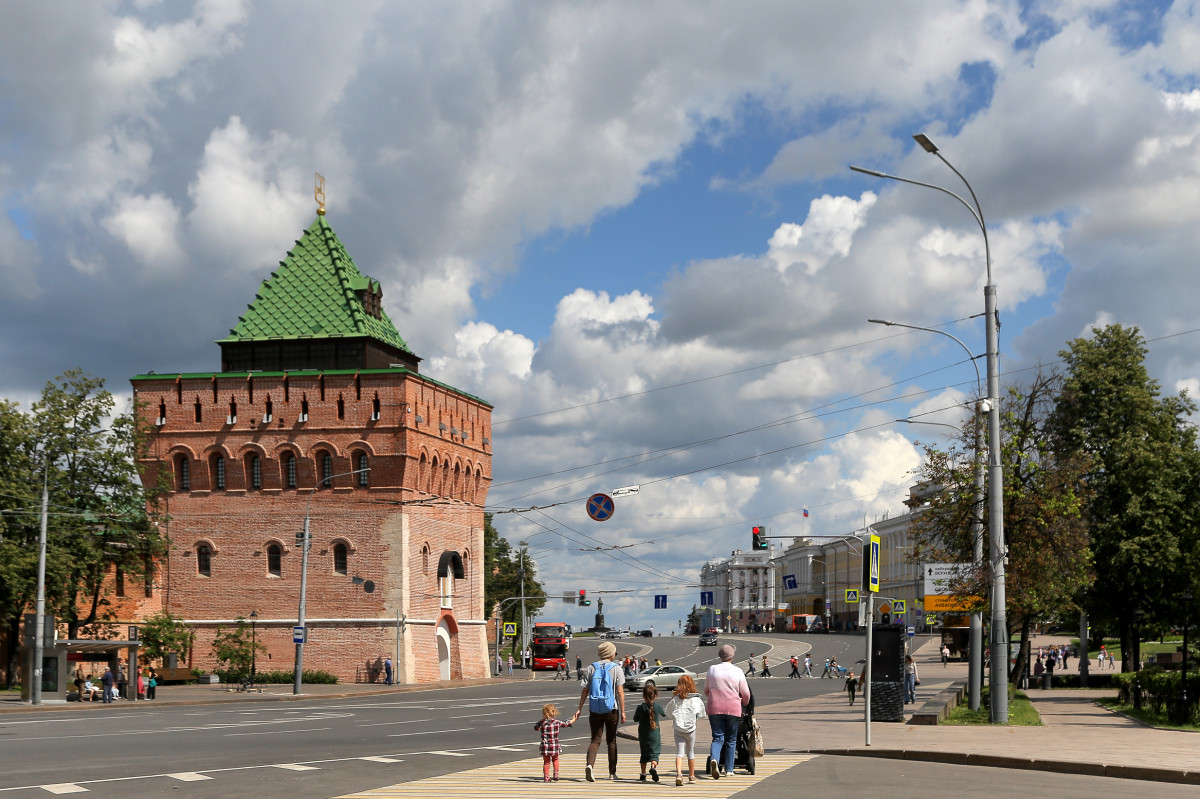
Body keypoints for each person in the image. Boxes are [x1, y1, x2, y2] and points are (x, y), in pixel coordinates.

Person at [574, 640, 626, 782]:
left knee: (595, 740)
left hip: (595, 709)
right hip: (611, 709)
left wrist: (579, 709)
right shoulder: (617, 668)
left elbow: (585, 690)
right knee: (612, 741)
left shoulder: (591, 668)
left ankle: (590, 766)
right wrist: (622, 712)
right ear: (611, 654)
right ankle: (612, 773)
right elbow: (620, 692)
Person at [704, 644, 750, 779]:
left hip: (714, 708)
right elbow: (745, 693)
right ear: (732, 656)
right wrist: (744, 703)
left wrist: (715, 697)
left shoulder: (712, 669)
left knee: (718, 738)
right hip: (732, 708)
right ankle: (729, 770)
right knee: (731, 739)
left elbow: (706, 690)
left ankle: (715, 760)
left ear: (720, 656)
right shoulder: (738, 671)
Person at [666, 674, 706, 785]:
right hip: (691, 729)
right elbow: (702, 714)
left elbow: (668, 712)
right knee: (691, 752)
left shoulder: (675, 699)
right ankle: (691, 776)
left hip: (678, 729)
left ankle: (679, 774)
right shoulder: (696, 699)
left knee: (680, 753)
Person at [534, 702, 577, 782]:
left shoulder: (541, 723)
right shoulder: (557, 722)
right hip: (555, 745)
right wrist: (574, 719)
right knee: (555, 759)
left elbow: (536, 728)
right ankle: (556, 774)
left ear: (545, 714)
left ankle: (546, 777)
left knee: (546, 762)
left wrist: (540, 722)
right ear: (554, 713)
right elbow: (566, 724)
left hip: (545, 746)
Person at [634, 684, 666, 782]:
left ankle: (643, 774)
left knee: (644, 754)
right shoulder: (657, 707)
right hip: (654, 734)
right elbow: (664, 714)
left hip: (643, 735)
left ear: (643, 696)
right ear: (655, 695)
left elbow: (635, 719)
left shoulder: (641, 707)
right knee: (655, 753)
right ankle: (653, 767)